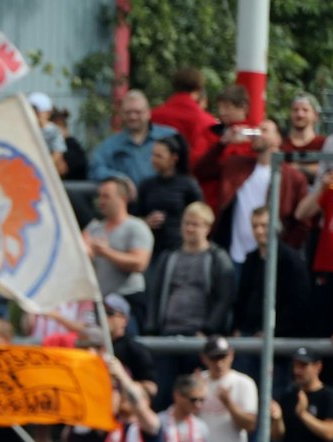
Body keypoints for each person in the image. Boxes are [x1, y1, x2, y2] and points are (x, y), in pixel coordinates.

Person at [200, 118, 308, 264]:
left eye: (264, 130)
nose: (257, 134)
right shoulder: (236, 165)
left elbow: (304, 221)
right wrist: (223, 143)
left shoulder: (293, 177)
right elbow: (202, 170)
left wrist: (285, 249)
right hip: (234, 256)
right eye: (256, 129)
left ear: (278, 139)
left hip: (271, 259)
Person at [138, 201, 234, 338]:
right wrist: (151, 328)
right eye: (186, 223)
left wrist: (208, 329)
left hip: (200, 335)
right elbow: (155, 294)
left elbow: (224, 298)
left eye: (195, 224)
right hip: (167, 332)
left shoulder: (218, 258)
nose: (189, 228)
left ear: (207, 228)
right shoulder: (168, 256)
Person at [236, 205, 314, 339]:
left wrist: (274, 331)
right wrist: (237, 327)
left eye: (264, 225)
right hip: (248, 334)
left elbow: (298, 303)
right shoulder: (250, 259)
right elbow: (242, 297)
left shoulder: (291, 261)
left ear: (276, 227)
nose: (259, 231)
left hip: (280, 339)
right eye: (255, 226)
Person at [196, 335, 259, 442]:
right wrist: (194, 397)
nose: (219, 363)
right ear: (204, 358)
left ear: (231, 354)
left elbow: (250, 425)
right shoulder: (198, 381)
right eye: (214, 358)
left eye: (222, 357)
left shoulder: (244, 383)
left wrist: (228, 402)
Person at [275, 347, 333, 442]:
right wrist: (276, 419)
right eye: (295, 365)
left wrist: (303, 414)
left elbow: (330, 433)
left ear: (317, 367)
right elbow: (278, 436)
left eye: (303, 366)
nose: (297, 371)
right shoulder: (288, 397)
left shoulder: (329, 396)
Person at [85, 176, 152, 306]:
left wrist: (106, 252)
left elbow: (139, 263)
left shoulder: (136, 227)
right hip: (100, 301)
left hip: (127, 299)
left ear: (122, 199)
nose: (101, 201)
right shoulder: (94, 228)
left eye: (106, 196)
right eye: (100, 196)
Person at [136, 137, 203, 259]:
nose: (153, 160)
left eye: (159, 156)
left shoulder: (188, 185)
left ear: (174, 158)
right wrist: (146, 222)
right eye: (153, 155)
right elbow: (134, 215)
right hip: (152, 248)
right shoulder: (146, 185)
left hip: (180, 248)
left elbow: (201, 215)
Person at [88, 90, 174, 185]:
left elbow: (184, 167)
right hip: (127, 199)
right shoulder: (111, 145)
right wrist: (120, 179)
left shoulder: (168, 136)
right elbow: (95, 169)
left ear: (148, 113)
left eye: (138, 112)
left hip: (164, 196)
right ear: (121, 114)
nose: (133, 117)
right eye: (128, 112)